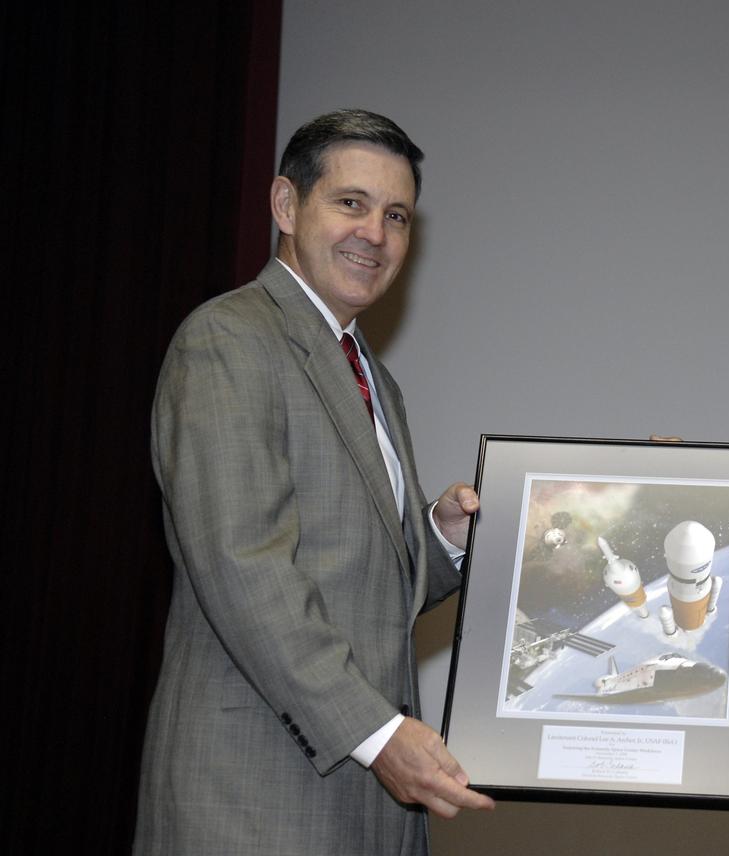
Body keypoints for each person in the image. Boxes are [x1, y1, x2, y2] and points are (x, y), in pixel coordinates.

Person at [134, 109, 494, 856]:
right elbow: (243, 567)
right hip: (252, 800)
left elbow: (365, 587)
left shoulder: (374, 379)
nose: (375, 234)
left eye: (396, 216)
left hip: (362, 813)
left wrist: (440, 537)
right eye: (351, 203)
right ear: (286, 204)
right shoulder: (228, 339)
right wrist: (379, 733)